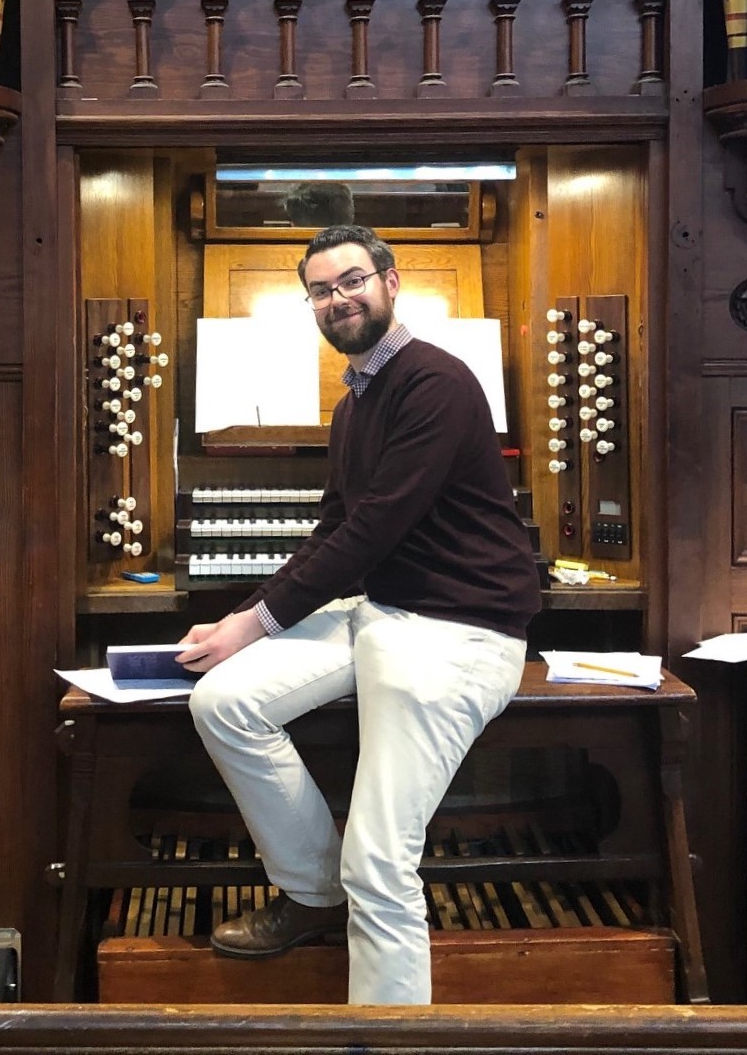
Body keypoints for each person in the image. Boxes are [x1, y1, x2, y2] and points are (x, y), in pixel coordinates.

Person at [177, 224, 542, 1004]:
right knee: (223, 700)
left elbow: (377, 526)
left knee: (378, 858)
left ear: (389, 281)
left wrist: (253, 624)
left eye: (351, 281)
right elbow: (335, 531)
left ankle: (387, 1031)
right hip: (381, 608)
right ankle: (312, 895)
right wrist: (237, 621)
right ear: (308, 303)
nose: (337, 299)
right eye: (320, 290)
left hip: (458, 626)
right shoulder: (357, 401)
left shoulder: (433, 382)